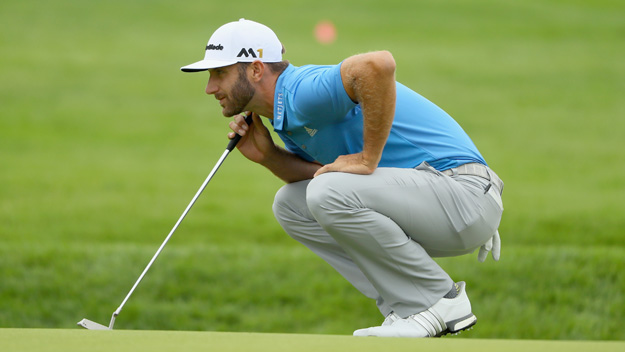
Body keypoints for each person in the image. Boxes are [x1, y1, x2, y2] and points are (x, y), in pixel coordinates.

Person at [181, 18, 504, 338]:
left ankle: (437, 301)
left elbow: (377, 65)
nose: (210, 88)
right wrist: (269, 157)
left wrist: (368, 158)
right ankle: (407, 306)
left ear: (255, 69)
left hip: (463, 194)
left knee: (326, 192)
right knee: (291, 204)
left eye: (219, 74)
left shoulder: (300, 90)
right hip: (434, 203)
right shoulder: (283, 115)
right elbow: (330, 179)